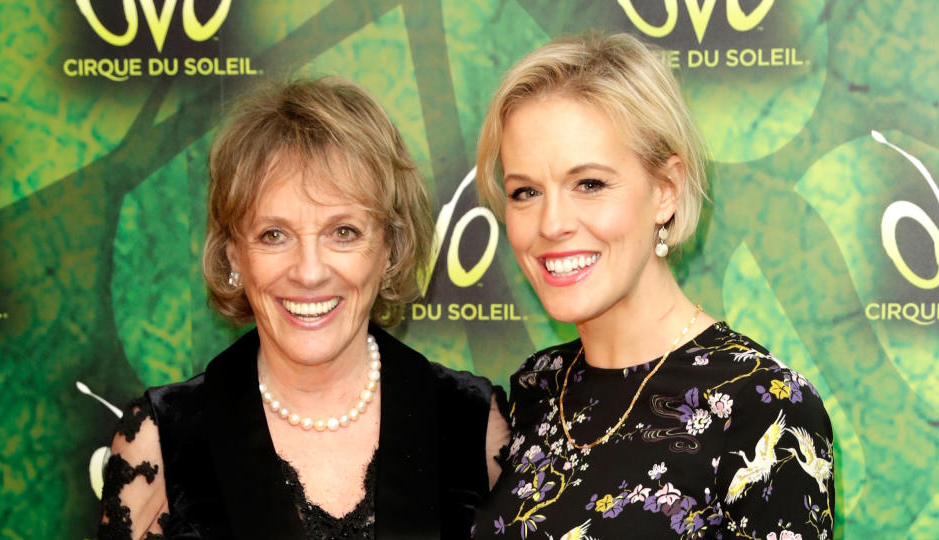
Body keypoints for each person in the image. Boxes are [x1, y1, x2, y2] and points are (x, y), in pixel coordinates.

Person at [98, 77, 509, 540]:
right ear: (235, 254)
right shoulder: (161, 438)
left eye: (344, 232)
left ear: (390, 249)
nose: (309, 272)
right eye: (274, 235)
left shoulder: (471, 422)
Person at [471, 34, 834, 539]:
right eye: (525, 192)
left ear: (665, 191)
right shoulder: (537, 386)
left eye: (590, 184)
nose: (551, 223)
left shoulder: (762, 407)